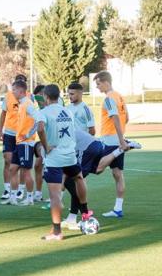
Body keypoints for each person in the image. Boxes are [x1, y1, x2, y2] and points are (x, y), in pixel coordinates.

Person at [37, 84, 92, 241]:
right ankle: (85, 213)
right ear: (58, 96)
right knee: (79, 177)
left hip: (55, 158)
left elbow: (40, 129)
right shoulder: (67, 110)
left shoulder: (43, 112)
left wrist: (46, 145)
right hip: (70, 155)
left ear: (46, 97)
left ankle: (57, 232)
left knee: (55, 196)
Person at [61, 130, 141, 230]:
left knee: (73, 180)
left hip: (86, 147)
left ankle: (83, 215)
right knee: (96, 171)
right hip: (92, 144)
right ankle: (72, 218)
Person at [94, 71, 130, 218]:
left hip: (110, 139)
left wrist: (120, 141)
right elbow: (126, 117)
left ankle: (121, 148)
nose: (97, 87)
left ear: (106, 82)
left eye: (98, 84)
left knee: (98, 168)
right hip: (117, 138)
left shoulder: (109, 98)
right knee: (117, 174)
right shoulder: (119, 96)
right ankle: (118, 209)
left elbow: (115, 117)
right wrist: (121, 138)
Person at [2, 80, 38, 206]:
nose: (13, 92)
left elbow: (39, 120)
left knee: (26, 170)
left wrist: (28, 135)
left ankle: (29, 198)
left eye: (14, 90)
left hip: (26, 143)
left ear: (21, 91)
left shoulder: (28, 103)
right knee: (12, 169)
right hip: (19, 142)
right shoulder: (21, 104)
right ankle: (13, 197)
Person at [0, 74, 28, 200]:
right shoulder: (8, 96)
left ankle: (20, 189)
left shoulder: (28, 97)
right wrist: (0, 130)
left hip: (21, 134)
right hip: (9, 133)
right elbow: (3, 114)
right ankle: (7, 188)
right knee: (7, 160)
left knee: (21, 164)